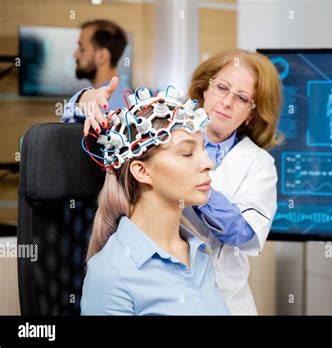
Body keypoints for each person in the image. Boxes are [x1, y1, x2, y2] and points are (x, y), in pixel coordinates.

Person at [68, 49, 283, 314]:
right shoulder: (164, 122)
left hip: (223, 294)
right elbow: (105, 125)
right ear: (205, 88)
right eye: (222, 88)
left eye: (241, 98)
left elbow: (245, 234)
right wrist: (84, 100)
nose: (227, 102)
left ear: (252, 113)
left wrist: (192, 180)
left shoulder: (258, 164)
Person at [81, 99, 229, 315]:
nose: (208, 163)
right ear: (142, 171)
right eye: (187, 153)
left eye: (203, 149)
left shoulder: (199, 253)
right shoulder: (111, 273)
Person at [62, 19, 130, 123]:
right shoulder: (125, 95)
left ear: (102, 56)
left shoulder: (103, 107)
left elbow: (64, 134)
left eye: (82, 48)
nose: (75, 54)